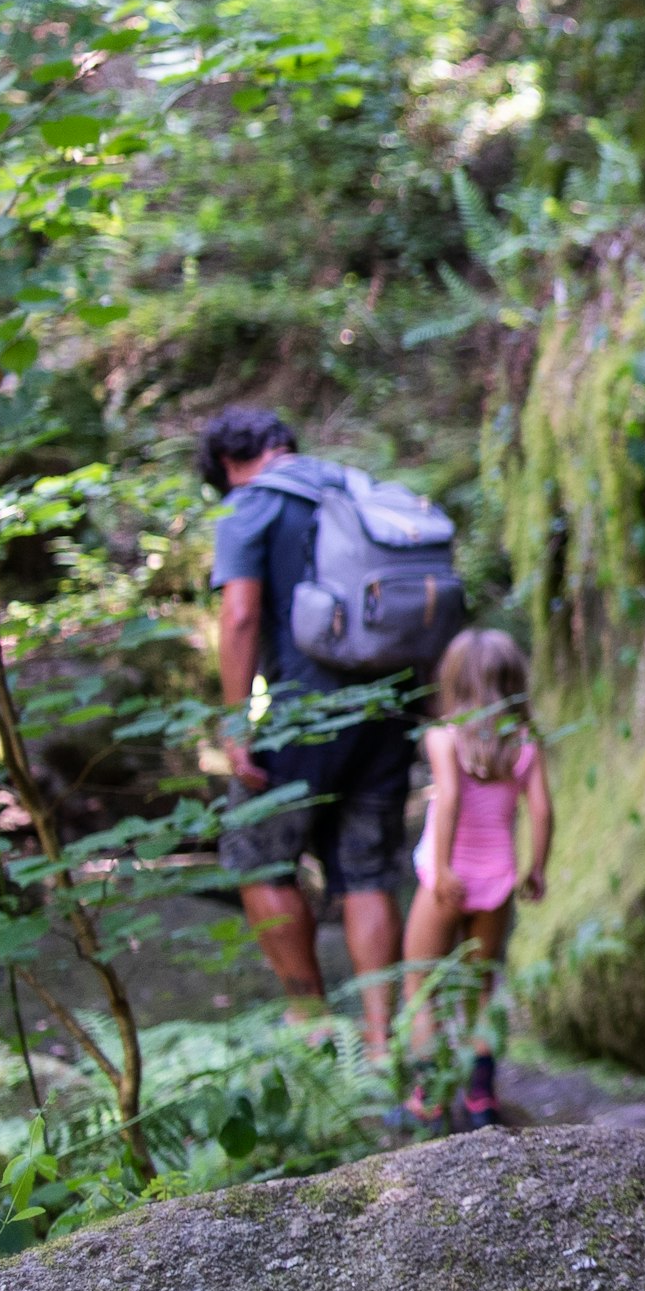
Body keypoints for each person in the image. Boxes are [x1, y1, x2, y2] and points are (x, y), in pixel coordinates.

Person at [200, 405, 420, 1059]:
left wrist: (237, 724)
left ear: (228, 465)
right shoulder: (358, 487)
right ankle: (384, 1045)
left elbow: (239, 615)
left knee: (256, 855)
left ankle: (313, 1021)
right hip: (386, 710)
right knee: (368, 873)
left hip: (304, 714)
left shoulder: (251, 506)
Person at [399, 626, 549, 1135]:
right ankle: (481, 1097)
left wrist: (440, 869)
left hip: (448, 878)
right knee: (479, 988)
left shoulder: (444, 737)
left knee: (421, 984)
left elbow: (450, 800)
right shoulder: (524, 743)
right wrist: (536, 868)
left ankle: (430, 1098)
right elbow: (543, 810)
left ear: (453, 681)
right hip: (499, 882)